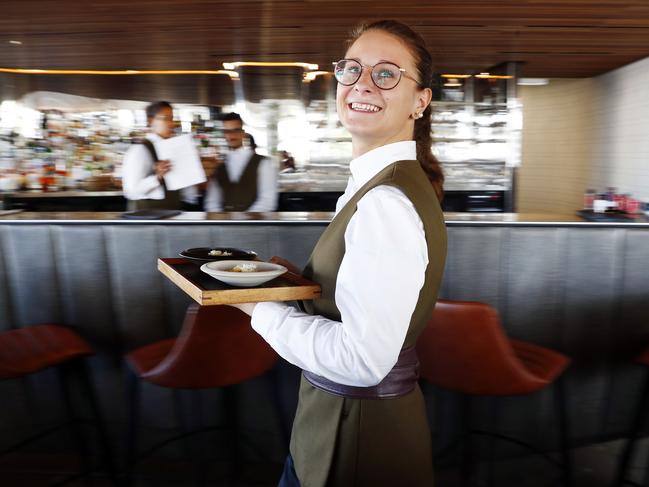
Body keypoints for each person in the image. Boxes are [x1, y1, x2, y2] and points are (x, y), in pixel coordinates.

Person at [231, 20, 447, 487]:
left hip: (354, 442)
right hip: (334, 427)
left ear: (420, 101)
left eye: (386, 74)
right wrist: (298, 286)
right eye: (351, 69)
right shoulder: (377, 183)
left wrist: (257, 307)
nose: (361, 84)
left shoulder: (385, 202)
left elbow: (361, 361)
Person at [122, 101, 201, 211]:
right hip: (146, 220)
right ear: (150, 121)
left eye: (172, 118)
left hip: (173, 215)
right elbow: (130, 192)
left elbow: (188, 195)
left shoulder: (174, 147)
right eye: (166, 118)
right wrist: (157, 177)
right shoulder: (140, 149)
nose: (171, 124)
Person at [203, 112, 277, 212]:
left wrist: (243, 222)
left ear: (243, 132)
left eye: (236, 130)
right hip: (224, 225)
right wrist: (222, 222)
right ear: (224, 134)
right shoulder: (219, 166)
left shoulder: (264, 163)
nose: (232, 135)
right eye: (227, 131)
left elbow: (267, 201)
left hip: (255, 225)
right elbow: (212, 202)